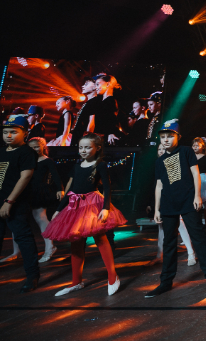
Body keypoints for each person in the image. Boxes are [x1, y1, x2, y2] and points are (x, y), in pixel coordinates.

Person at [44, 133, 126, 296]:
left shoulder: (100, 165)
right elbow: (71, 190)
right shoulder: (77, 166)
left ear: (97, 148)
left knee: (100, 238)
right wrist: (59, 210)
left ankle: (112, 276)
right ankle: (76, 282)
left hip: (92, 203)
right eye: (81, 147)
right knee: (75, 242)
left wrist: (105, 208)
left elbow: (107, 188)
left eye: (87, 147)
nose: (83, 150)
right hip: (75, 205)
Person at [144, 120, 206, 299]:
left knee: (199, 238)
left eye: (170, 136)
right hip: (168, 204)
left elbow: (195, 173)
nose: (166, 139)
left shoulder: (186, 151)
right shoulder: (160, 161)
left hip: (188, 201)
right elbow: (159, 185)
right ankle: (165, 282)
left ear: (178, 137)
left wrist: (197, 196)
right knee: (169, 243)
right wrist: (157, 209)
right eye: (163, 136)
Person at [0, 115, 40, 292]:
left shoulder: (26, 152)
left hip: (16, 203)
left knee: (23, 238)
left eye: (13, 132)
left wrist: (9, 201)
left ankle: (32, 276)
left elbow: (25, 177)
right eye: (5, 132)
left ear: (25, 133)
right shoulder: (2, 151)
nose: (8, 135)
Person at [26, 137, 64, 262]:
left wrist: (60, 189)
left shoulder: (47, 160)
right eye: (31, 147)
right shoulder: (27, 159)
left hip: (39, 191)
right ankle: (16, 251)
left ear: (43, 146)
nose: (34, 149)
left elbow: (56, 175)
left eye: (37, 146)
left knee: (41, 218)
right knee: (20, 219)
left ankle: (50, 247)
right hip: (26, 191)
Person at [71, 77, 99, 146]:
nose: (82, 86)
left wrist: (88, 137)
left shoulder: (94, 102)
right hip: (78, 136)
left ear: (95, 86)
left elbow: (92, 120)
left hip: (83, 138)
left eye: (86, 84)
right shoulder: (88, 102)